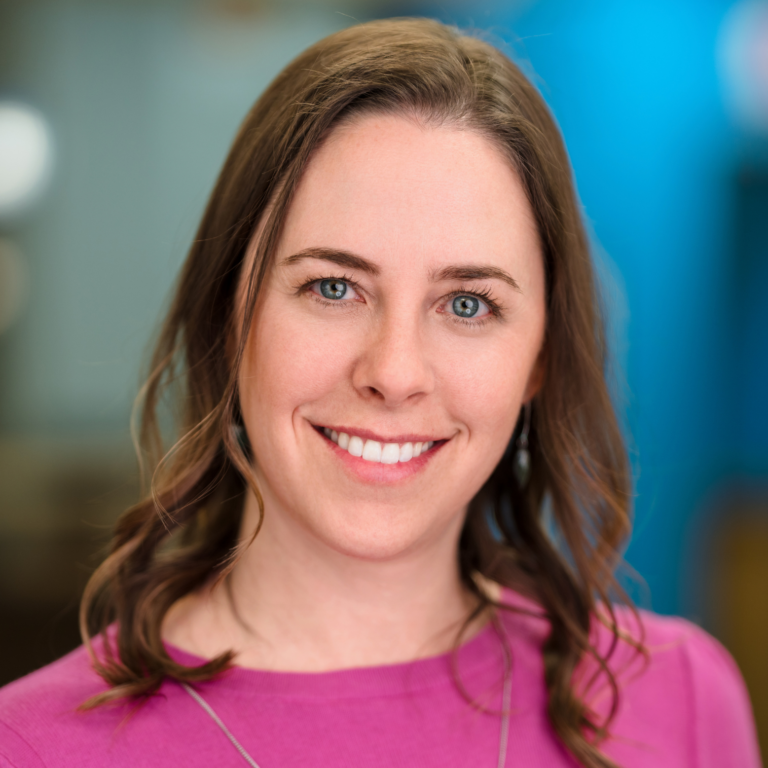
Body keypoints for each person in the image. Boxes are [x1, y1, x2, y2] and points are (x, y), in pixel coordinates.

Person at [0, 17, 760, 768]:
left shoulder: (679, 702)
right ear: (231, 318)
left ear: (540, 357)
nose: (394, 373)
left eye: (468, 304)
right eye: (334, 288)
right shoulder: (32, 747)